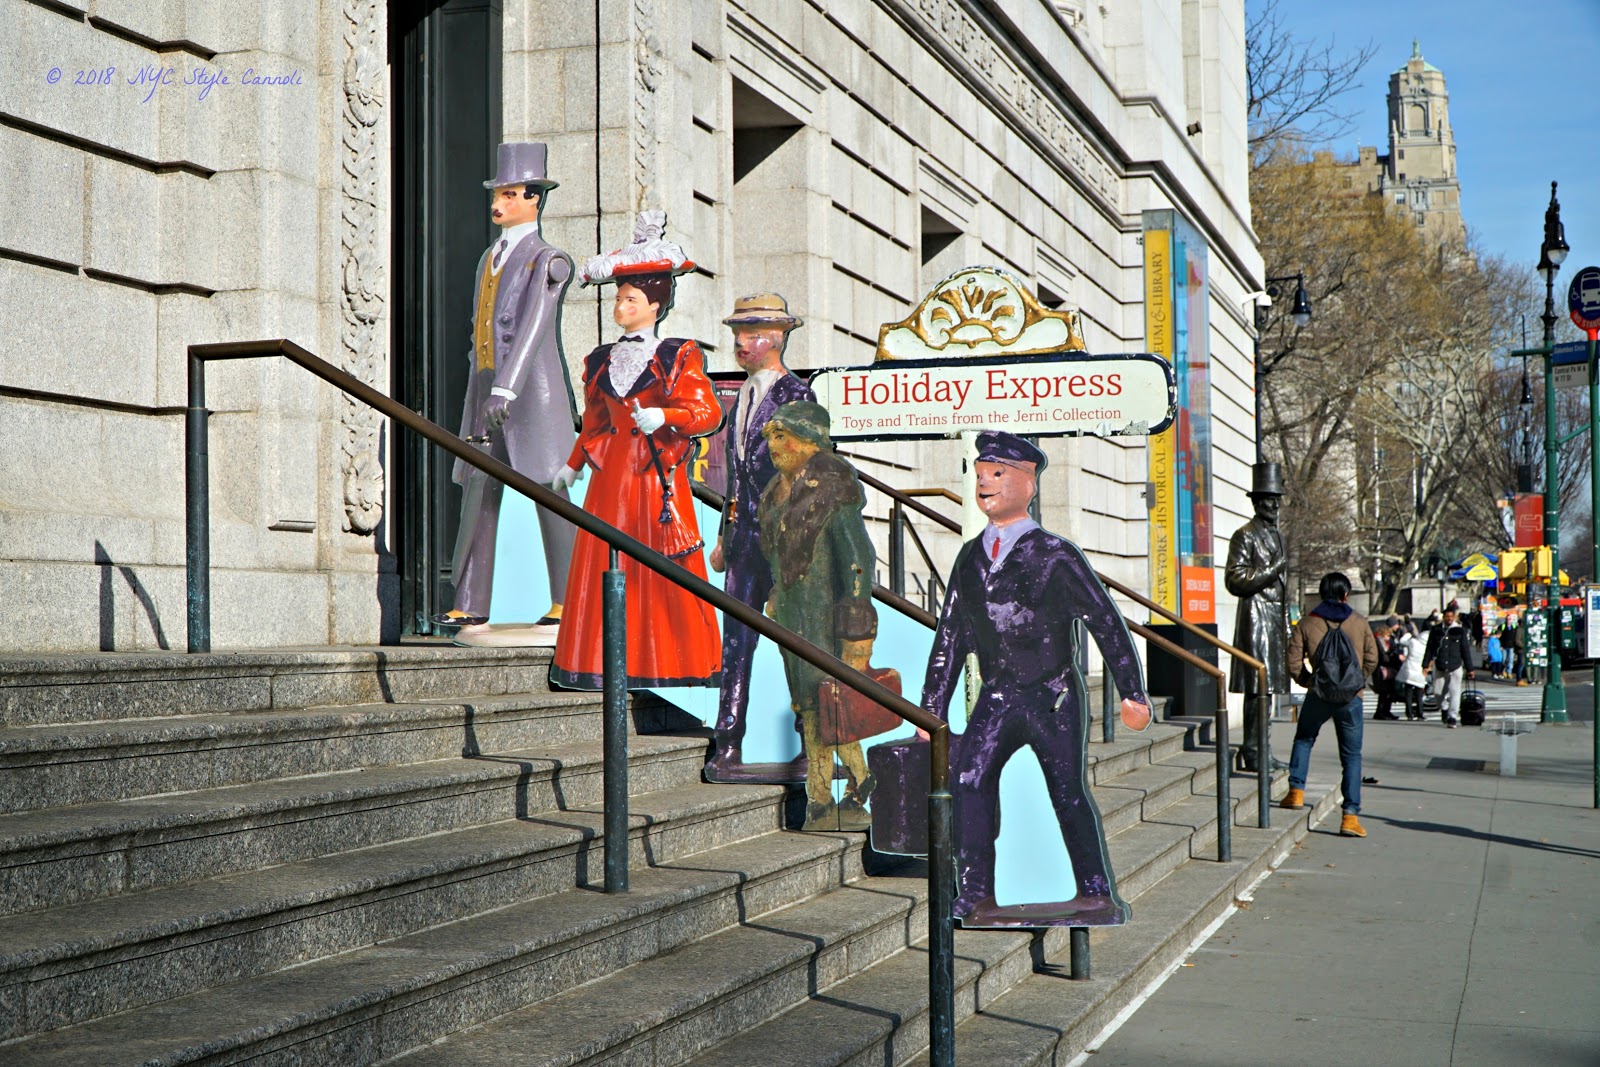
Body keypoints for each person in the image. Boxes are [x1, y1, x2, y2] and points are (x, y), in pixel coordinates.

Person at [916, 431, 1153, 927]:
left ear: (1028, 483)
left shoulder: (1055, 553)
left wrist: (1131, 691)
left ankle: (1095, 889)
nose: (984, 483)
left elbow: (1104, 621)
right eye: (980, 474)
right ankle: (975, 891)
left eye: (997, 473)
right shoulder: (970, 557)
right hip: (998, 695)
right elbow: (951, 635)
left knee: (1066, 790)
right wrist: (931, 705)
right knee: (968, 777)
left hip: (1052, 697)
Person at [548, 211, 722, 690]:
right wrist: (572, 463)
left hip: (652, 477)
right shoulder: (601, 358)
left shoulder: (679, 354)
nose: (621, 306)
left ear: (654, 305)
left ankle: (666, 663)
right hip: (610, 484)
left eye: (631, 298)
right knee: (605, 563)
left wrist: (666, 416)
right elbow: (597, 423)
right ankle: (601, 660)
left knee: (654, 569)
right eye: (620, 297)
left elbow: (706, 412)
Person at [438, 142, 578, 641]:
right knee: (480, 489)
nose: (499, 204)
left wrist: (507, 387)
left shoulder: (549, 259)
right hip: (486, 389)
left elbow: (536, 327)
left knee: (548, 489)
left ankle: (567, 598)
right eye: (497, 193)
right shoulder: (488, 258)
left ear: (534, 199)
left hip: (530, 393)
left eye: (510, 194)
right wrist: (484, 386)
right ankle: (469, 603)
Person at [705, 294, 816, 783]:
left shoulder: (797, 396)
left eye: (750, 334)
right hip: (745, 537)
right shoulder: (742, 396)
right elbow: (735, 478)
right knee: (736, 643)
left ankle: (810, 744)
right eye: (737, 334)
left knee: (796, 642)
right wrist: (723, 535)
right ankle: (727, 742)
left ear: (774, 338)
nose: (740, 344)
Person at [755, 402, 877, 829]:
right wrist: (775, 595)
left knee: (823, 709)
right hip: (791, 616)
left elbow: (857, 556)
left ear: (808, 441)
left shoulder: (831, 484)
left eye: (782, 436)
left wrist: (858, 625)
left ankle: (828, 795)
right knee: (812, 708)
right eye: (770, 437)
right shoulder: (777, 491)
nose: (774, 446)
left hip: (826, 618)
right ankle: (849, 788)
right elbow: (780, 558)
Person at [1281, 572, 1379, 837]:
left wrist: (1310, 682)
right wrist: (1357, 682)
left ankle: (1296, 791)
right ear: (1345, 594)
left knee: (1304, 738)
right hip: (1351, 698)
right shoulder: (1358, 622)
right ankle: (1350, 816)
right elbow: (1372, 658)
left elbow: (1292, 662)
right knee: (1351, 756)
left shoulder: (1307, 623)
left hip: (1319, 695)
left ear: (1322, 594)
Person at [1223, 462, 1290, 771]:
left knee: (1269, 687)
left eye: (1277, 498)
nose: (1274, 504)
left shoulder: (1277, 535)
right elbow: (1234, 579)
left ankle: (1262, 747)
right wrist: (1272, 569)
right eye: (1268, 498)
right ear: (1255, 501)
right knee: (1257, 686)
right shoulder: (1244, 535)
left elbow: (1284, 589)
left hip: (1274, 619)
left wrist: (1287, 627)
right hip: (1256, 617)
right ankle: (1254, 751)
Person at [1422, 605, 1476, 728]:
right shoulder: (1436, 630)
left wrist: (1470, 668)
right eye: (1447, 616)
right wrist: (1425, 664)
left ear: (1455, 617)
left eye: (1451, 616)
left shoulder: (1460, 630)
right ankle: (1444, 708)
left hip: (1455, 666)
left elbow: (1465, 650)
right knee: (1437, 692)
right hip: (1440, 665)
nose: (1449, 618)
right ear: (1443, 617)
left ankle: (1452, 717)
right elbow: (1430, 648)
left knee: (1454, 692)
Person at [1371, 619, 1403, 720]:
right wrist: (1393, 657)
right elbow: (1383, 656)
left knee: (1389, 692)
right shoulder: (1379, 642)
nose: (1389, 637)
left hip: (1390, 668)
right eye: (1387, 635)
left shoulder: (1389, 640)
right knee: (1384, 692)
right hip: (1383, 669)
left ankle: (1385, 711)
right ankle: (1381, 712)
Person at [1396, 622, 1428, 720]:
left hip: (1409, 670)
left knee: (1408, 693)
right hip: (1420, 671)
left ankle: (1409, 714)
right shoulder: (1426, 647)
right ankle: (1420, 714)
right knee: (1419, 694)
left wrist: (1409, 634)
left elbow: (1402, 641)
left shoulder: (1413, 642)